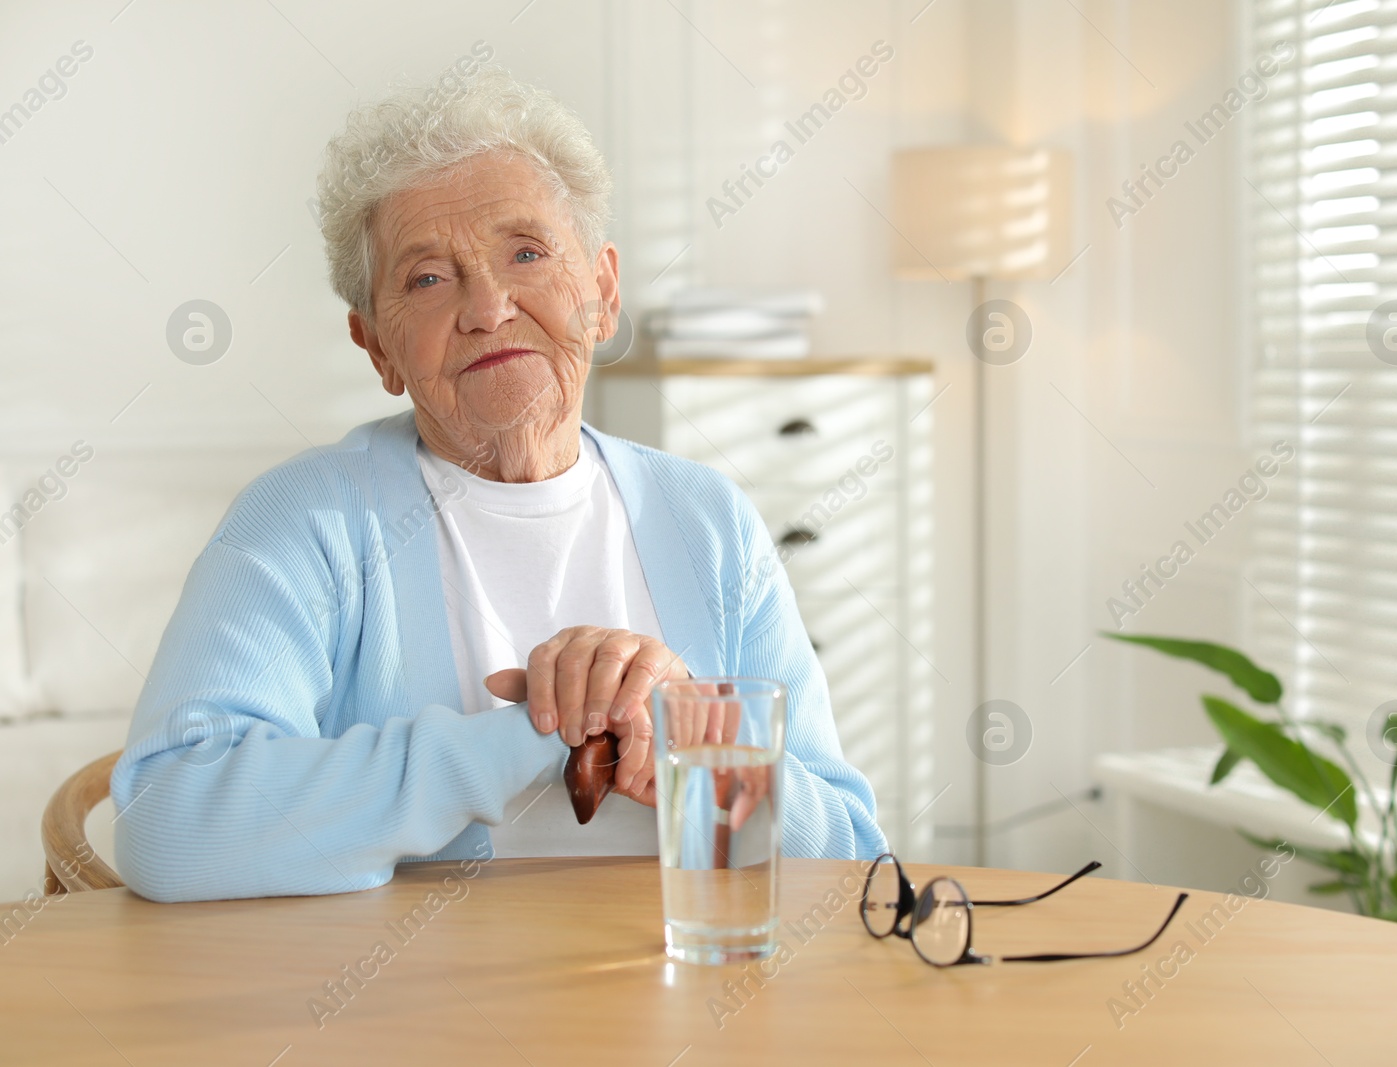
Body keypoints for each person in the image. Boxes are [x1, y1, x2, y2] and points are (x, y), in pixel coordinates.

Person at [109, 63, 887, 903]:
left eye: (526, 252)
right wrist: (532, 736)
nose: (488, 307)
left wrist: (685, 730)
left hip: (688, 1000)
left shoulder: (706, 518)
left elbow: (847, 856)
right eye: (427, 278)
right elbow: (168, 823)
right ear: (376, 347)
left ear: (602, 290)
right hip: (419, 1017)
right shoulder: (306, 519)